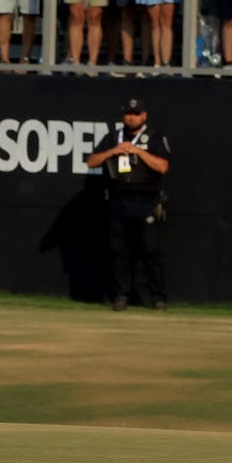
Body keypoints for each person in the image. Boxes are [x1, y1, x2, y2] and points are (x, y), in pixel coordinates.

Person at [86, 97, 172, 312]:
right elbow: (91, 161)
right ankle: (121, 295)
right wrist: (114, 151)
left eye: (136, 114)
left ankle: (158, 297)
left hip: (146, 201)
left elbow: (162, 166)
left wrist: (138, 152)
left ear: (144, 116)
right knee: (119, 251)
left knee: (150, 251)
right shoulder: (114, 137)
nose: (131, 118)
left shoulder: (154, 137)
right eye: (128, 114)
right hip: (119, 200)